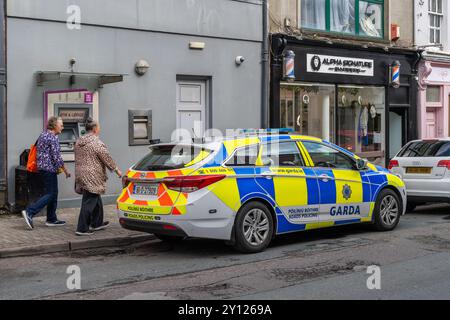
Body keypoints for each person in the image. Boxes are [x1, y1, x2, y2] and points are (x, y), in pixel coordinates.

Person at [74, 118, 122, 236]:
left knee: (95, 197)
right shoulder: (96, 143)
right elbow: (107, 158)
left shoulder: (79, 141)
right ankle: (82, 228)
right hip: (92, 175)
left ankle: (97, 223)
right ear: (95, 129)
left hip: (81, 174)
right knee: (89, 200)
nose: (99, 128)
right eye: (99, 127)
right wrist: (117, 170)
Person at [22, 116, 71, 229]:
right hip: (49, 169)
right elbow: (56, 157)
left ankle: (51, 218)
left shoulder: (43, 134)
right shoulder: (52, 137)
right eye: (61, 125)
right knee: (51, 194)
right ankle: (30, 211)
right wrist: (65, 171)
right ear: (54, 125)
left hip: (43, 169)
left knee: (53, 193)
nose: (62, 127)